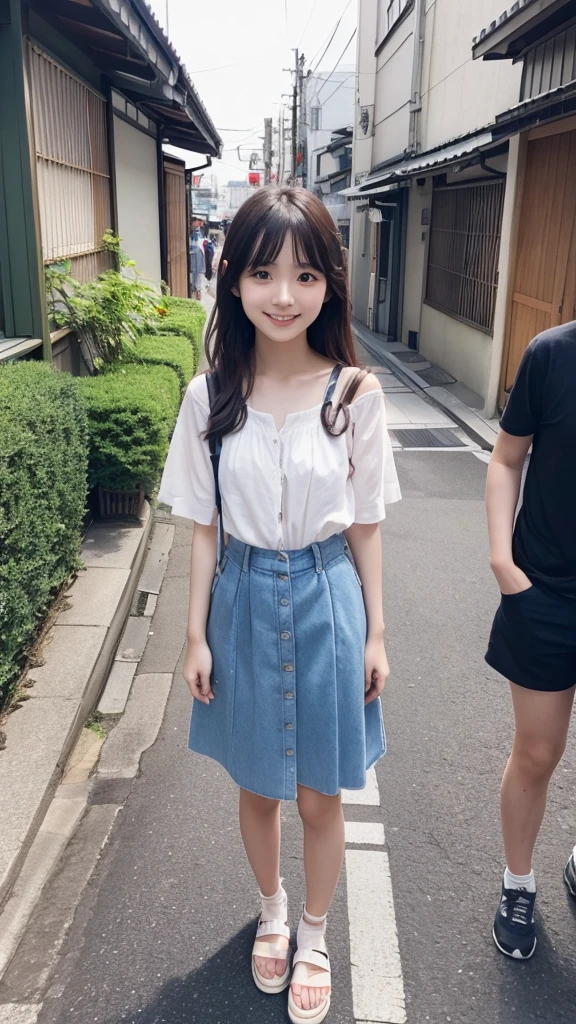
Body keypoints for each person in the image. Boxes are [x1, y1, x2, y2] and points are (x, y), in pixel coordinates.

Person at [158, 186, 401, 1021]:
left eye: (304, 275)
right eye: (264, 274)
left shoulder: (355, 395)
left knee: (320, 792)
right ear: (233, 281)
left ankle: (316, 930)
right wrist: (193, 638)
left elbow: (365, 527)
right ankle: (270, 912)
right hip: (244, 594)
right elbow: (201, 529)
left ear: (330, 282)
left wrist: (376, 631)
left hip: (329, 590)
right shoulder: (209, 398)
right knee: (260, 785)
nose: (284, 296)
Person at [485, 321, 576, 960]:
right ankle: (519, 882)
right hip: (545, 589)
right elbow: (506, 459)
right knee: (538, 752)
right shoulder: (552, 354)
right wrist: (503, 564)